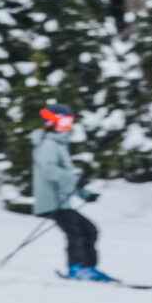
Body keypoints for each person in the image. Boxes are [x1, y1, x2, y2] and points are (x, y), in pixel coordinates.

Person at [31, 101, 108, 280]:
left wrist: (85, 194)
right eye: (63, 122)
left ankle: (87, 269)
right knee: (76, 232)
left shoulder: (58, 144)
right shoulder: (48, 144)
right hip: (53, 202)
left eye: (69, 123)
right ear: (50, 122)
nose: (67, 127)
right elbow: (49, 171)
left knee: (89, 230)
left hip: (62, 201)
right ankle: (77, 269)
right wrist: (76, 180)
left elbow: (65, 178)